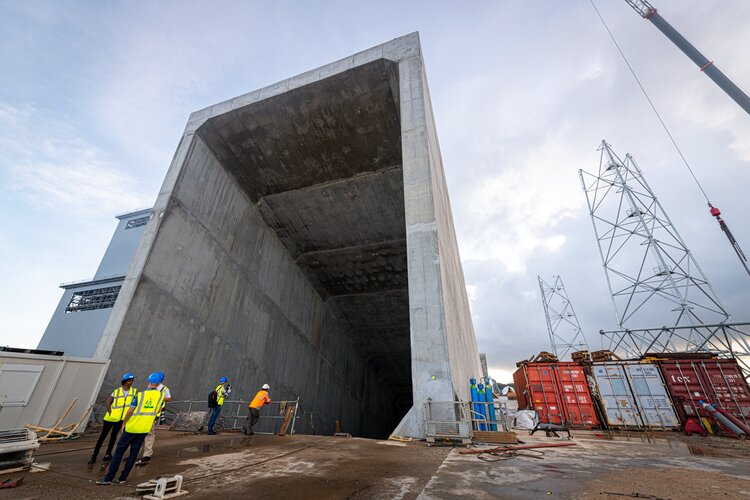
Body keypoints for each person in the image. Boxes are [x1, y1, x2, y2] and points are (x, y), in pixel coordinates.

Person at [96, 372, 165, 485]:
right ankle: (123, 478)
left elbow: (130, 411)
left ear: (148, 382)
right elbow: (158, 410)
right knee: (133, 454)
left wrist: (124, 423)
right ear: (158, 384)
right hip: (144, 429)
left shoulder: (140, 395)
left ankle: (108, 478)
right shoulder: (160, 396)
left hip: (131, 428)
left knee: (119, 452)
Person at [89, 373, 138, 465]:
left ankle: (108, 454)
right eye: (129, 380)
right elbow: (108, 401)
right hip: (110, 418)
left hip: (120, 419)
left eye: (132, 380)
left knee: (113, 437)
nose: (131, 382)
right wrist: (109, 410)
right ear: (125, 381)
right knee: (102, 437)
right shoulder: (117, 391)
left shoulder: (134, 392)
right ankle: (94, 456)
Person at [135, 371, 172, 466]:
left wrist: (159, 398)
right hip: (145, 412)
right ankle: (135, 453)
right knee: (140, 433)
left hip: (154, 413)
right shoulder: (149, 387)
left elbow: (169, 398)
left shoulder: (164, 389)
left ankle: (147, 454)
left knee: (149, 433)